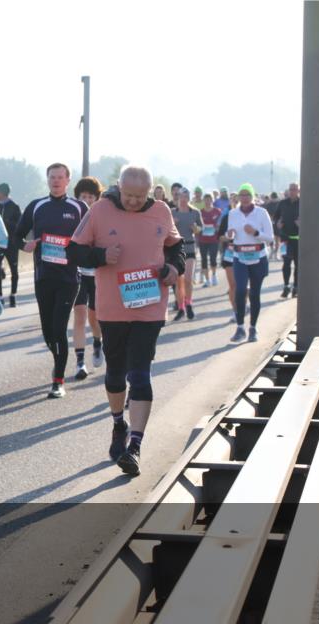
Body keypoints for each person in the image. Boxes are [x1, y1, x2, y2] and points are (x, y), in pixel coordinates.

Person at [70, 165, 184, 476]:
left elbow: (177, 248)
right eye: (128, 195)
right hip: (112, 308)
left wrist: (175, 269)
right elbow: (74, 252)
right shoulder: (100, 210)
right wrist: (100, 256)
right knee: (116, 375)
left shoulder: (161, 211)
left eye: (139, 196)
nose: (133, 201)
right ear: (118, 188)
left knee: (140, 373)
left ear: (150, 191)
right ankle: (118, 422)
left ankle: (135, 446)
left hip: (150, 306)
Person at [13, 164, 88, 397]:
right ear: (47, 180)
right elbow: (16, 235)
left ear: (68, 180)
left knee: (58, 327)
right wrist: (24, 245)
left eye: (60, 177)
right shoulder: (37, 206)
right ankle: (58, 360)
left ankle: (58, 380)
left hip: (69, 278)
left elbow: (91, 236)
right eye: (52, 177)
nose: (56, 181)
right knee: (48, 332)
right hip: (43, 277)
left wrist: (79, 250)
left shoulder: (78, 207)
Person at [226, 183, 273, 344]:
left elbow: (270, 238)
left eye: (247, 195)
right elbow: (230, 233)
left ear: (252, 196)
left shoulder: (261, 213)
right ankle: (240, 327)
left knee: (254, 294)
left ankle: (253, 327)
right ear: (238, 197)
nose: (244, 198)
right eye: (242, 195)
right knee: (239, 290)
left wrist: (256, 233)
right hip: (240, 257)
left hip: (258, 257)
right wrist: (230, 234)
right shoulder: (233, 213)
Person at [74, 176, 105, 369]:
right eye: (82, 196)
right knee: (79, 315)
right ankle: (79, 363)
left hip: (97, 275)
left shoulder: (102, 217)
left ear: (96, 198)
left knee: (94, 318)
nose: (86, 200)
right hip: (77, 275)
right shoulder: (71, 217)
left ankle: (97, 342)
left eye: (90, 196)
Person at [171, 188, 200, 320]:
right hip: (176, 249)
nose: (183, 199)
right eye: (181, 197)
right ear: (177, 198)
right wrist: (173, 225)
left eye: (185, 197)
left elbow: (201, 229)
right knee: (179, 281)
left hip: (189, 247)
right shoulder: (172, 212)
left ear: (188, 198)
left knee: (188, 279)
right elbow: (166, 230)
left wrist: (195, 228)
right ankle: (181, 307)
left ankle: (188, 304)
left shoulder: (194, 212)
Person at [0, 183, 22, 307]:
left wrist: (6, 222)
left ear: (2, 193)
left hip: (11, 244)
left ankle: (13, 295)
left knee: (14, 271)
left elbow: (19, 226)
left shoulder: (15, 207)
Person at [275, 183, 300, 298]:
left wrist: (302, 224)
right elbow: (276, 217)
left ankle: (296, 286)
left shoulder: (302, 203)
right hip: (285, 238)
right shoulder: (282, 203)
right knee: (286, 263)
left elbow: (310, 219)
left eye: (294, 189)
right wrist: (278, 224)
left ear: (298, 191)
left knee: (298, 264)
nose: (292, 191)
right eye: (291, 189)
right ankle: (286, 286)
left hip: (299, 239)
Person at [197, 193, 221, 287]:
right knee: (203, 260)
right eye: (206, 199)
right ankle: (207, 280)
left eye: (209, 199)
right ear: (204, 201)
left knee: (213, 259)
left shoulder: (217, 211)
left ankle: (214, 276)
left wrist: (217, 228)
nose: (207, 201)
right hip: (203, 240)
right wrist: (198, 228)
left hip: (214, 240)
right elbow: (197, 225)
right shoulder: (200, 212)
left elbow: (221, 224)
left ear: (212, 200)